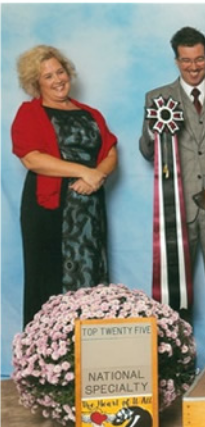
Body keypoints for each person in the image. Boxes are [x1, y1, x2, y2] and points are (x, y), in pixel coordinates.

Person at [139, 27, 205, 364]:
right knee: (175, 293)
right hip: (177, 210)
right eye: (186, 60)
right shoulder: (157, 99)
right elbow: (146, 152)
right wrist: (150, 130)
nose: (193, 66)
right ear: (176, 61)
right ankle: (175, 364)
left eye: (199, 59)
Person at [11, 45, 118, 328]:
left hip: (89, 211)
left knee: (91, 275)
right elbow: (32, 159)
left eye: (60, 71)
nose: (58, 79)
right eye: (48, 76)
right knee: (46, 279)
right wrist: (84, 171)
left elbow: (110, 151)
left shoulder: (90, 113)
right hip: (48, 210)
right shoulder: (29, 113)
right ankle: (45, 359)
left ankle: (90, 353)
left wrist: (97, 176)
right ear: (36, 83)